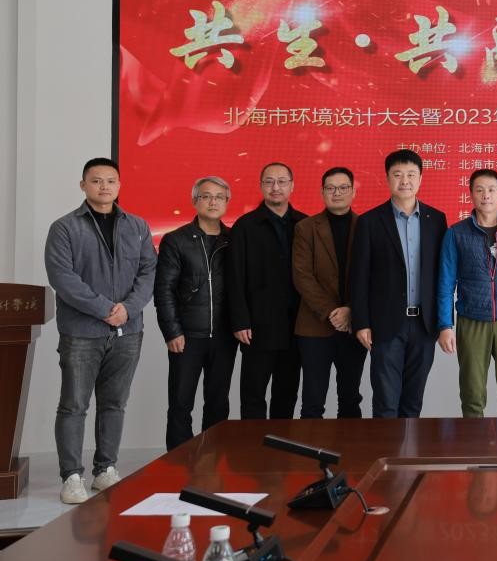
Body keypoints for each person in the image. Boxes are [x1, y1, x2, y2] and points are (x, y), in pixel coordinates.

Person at [44, 157, 156, 504]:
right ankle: (71, 476)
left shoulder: (137, 226)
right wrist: (105, 309)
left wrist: (128, 309)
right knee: (73, 405)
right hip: (81, 332)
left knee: (114, 404)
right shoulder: (65, 228)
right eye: (96, 180)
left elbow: (148, 272)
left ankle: (105, 469)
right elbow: (63, 278)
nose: (104, 186)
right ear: (83, 185)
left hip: (128, 331)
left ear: (119, 185)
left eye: (110, 180)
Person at [350, 149, 447, 417]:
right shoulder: (370, 221)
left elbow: (443, 275)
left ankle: (409, 446)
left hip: (424, 324)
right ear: (387, 178)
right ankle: (386, 447)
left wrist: (444, 322)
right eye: (398, 174)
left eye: (411, 175)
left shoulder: (436, 219)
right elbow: (359, 276)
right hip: (385, 324)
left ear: (421, 179)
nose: (405, 181)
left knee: (413, 401)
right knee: (385, 402)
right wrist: (361, 322)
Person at [438, 169, 497, 417]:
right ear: (471, 194)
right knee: (472, 395)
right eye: (479, 190)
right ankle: (474, 443)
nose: (486, 195)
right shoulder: (456, 233)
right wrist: (445, 325)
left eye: (491, 190)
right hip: (472, 320)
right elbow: (446, 283)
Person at [155, 175, 236, 451]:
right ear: (194, 201)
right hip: (187, 336)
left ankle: (211, 460)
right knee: (181, 403)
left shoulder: (234, 240)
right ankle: (179, 461)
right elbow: (164, 290)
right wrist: (172, 331)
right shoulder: (176, 240)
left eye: (219, 197)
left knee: (218, 402)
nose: (213, 202)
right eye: (206, 196)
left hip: (224, 336)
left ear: (227, 202)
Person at [228, 162, 308, 419]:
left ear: (292, 186)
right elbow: (234, 277)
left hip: (296, 326)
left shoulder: (305, 224)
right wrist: (240, 320)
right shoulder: (245, 226)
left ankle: (280, 446)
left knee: (287, 394)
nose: (276, 187)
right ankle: (253, 445)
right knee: (253, 395)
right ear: (261, 186)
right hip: (256, 326)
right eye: (269, 182)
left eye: (282, 181)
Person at [292, 166, 366, 419]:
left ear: (353, 192)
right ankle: (310, 448)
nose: (337, 193)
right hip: (314, 327)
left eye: (343, 187)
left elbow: (373, 276)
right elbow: (302, 275)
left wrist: (351, 310)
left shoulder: (366, 226)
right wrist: (332, 312)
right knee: (313, 401)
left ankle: (350, 447)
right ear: (322, 192)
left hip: (354, 326)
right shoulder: (305, 228)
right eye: (330, 188)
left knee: (350, 398)